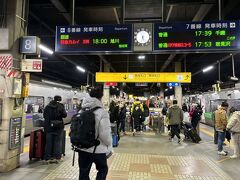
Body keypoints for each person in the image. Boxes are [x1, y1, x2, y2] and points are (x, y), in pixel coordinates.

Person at [78, 87, 112, 180]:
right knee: (102, 170)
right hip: (98, 149)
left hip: (82, 148)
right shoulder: (102, 112)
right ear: (100, 98)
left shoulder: (81, 111)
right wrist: (109, 145)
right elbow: (105, 134)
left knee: (83, 172)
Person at [43, 95, 67, 163]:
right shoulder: (61, 106)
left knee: (48, 143)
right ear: (60, 99)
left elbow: (44, 116)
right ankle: (57, 157)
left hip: (49, 127)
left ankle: (47, 158)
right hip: (58, 127)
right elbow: (65, 115)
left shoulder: (47, 106)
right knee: (58, 142)